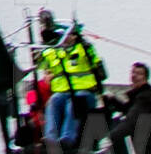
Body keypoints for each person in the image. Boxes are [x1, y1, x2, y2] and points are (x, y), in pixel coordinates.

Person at [39, 16, 105, 145]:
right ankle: (51, 138)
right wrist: (44, 40)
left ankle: (67, 137)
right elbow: (39, 63)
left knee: (74, 103)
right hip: (62, 92)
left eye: (67, 35)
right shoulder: (53, 51)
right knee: (53, 101)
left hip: (84, 92)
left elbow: (95, 62)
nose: (63, 38)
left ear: (74, 36)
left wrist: (82, 42)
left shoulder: (83, 49)